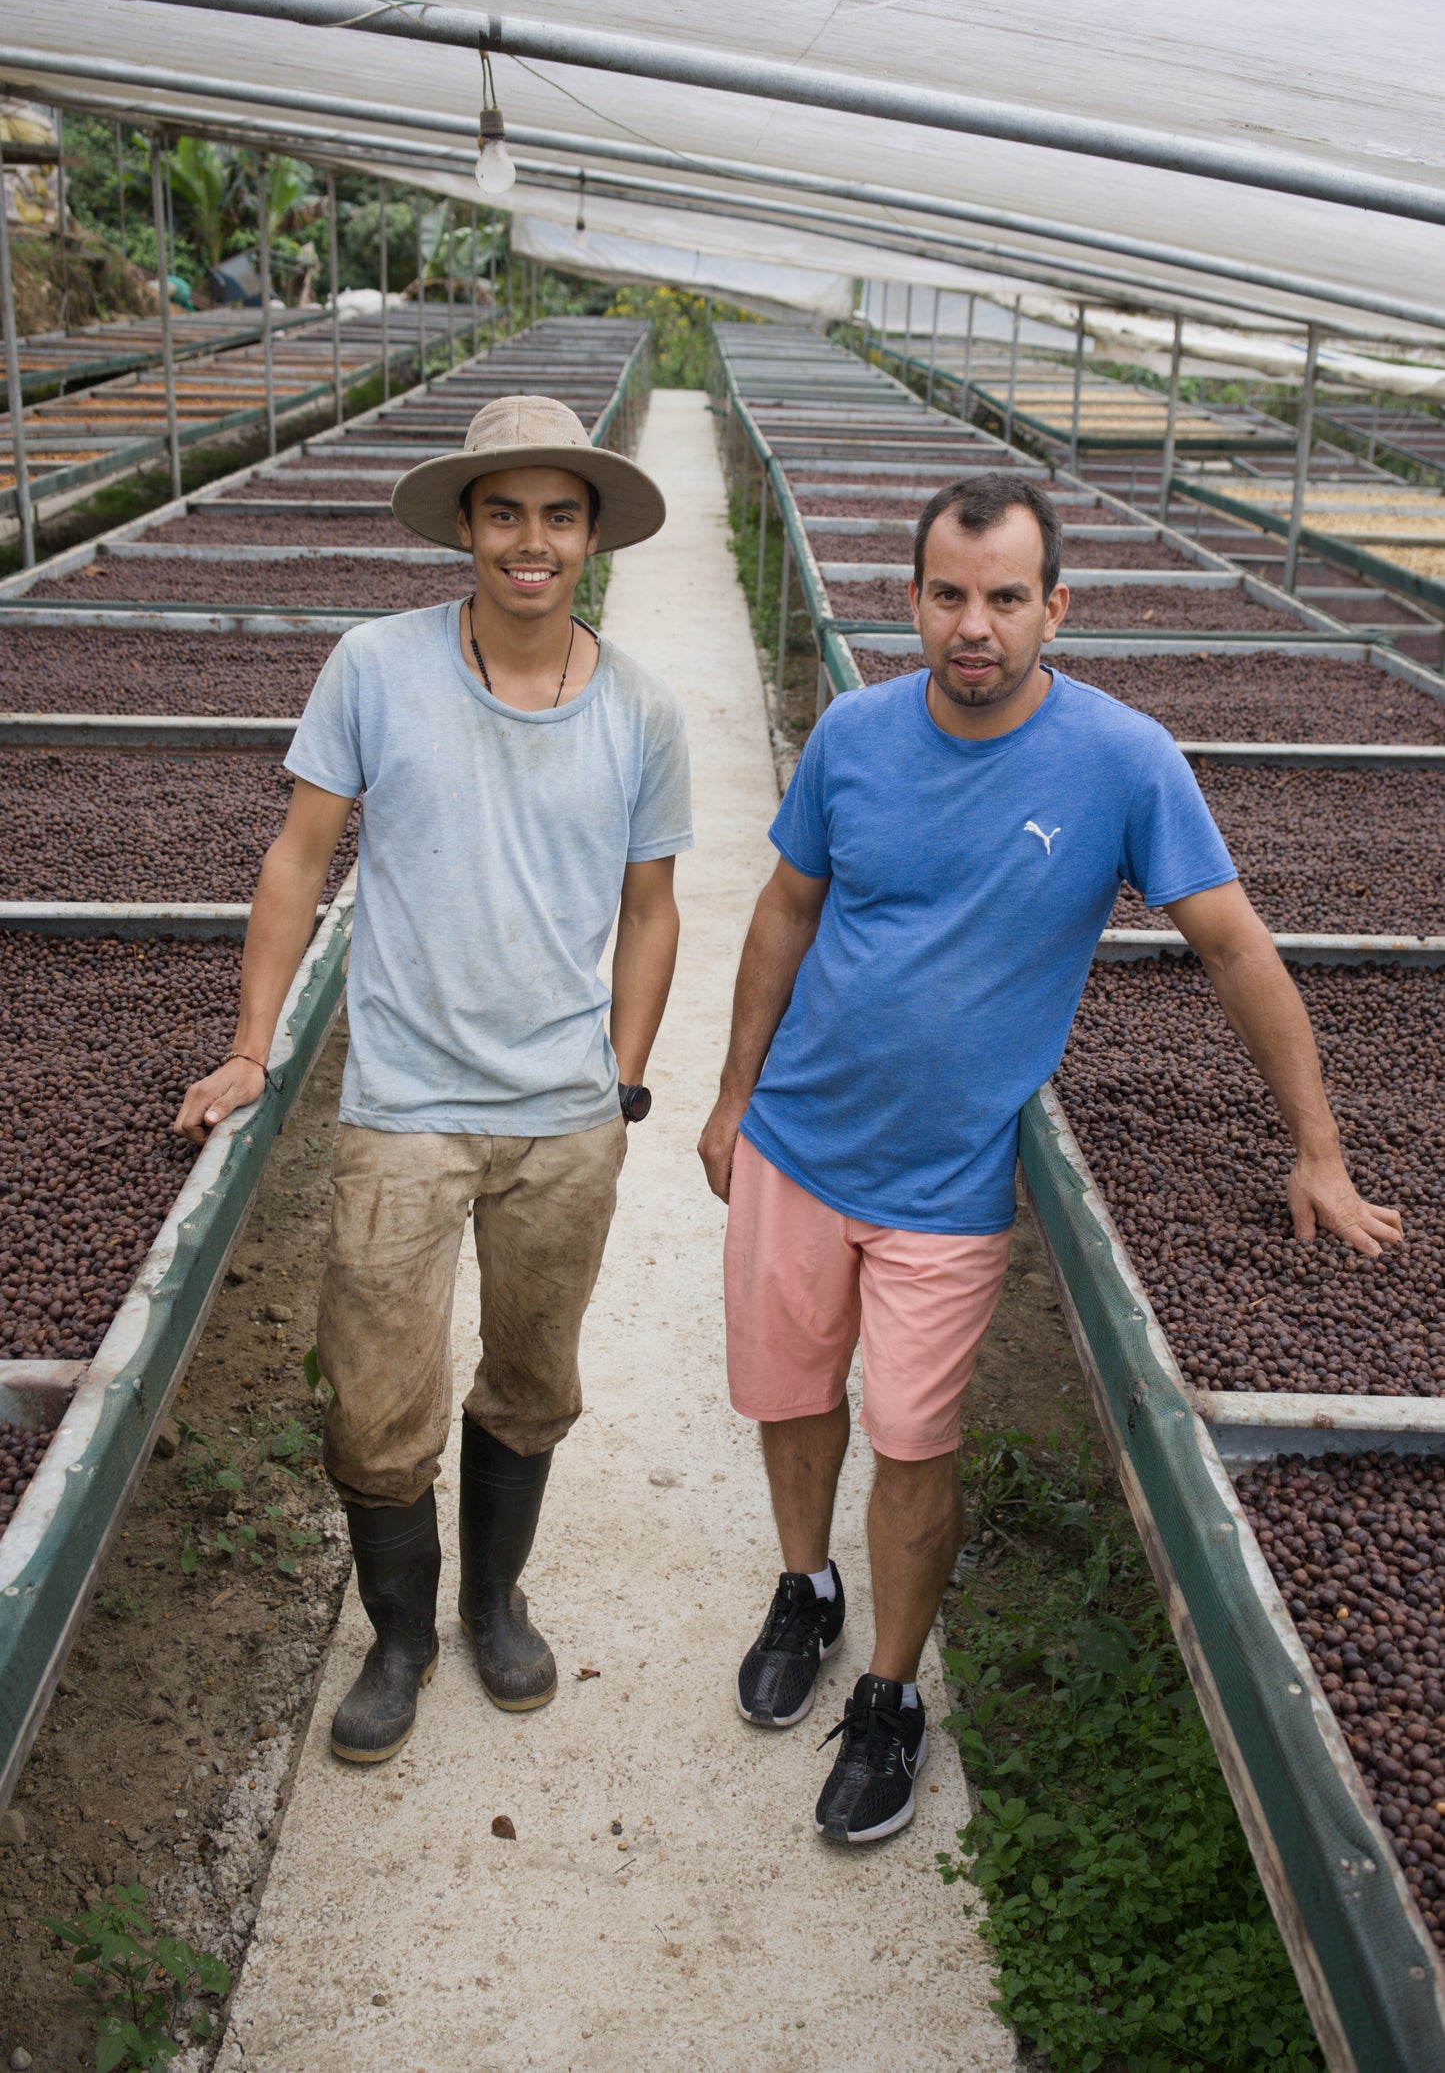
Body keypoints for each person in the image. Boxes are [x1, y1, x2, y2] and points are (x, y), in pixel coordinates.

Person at [699, 469, 1401, 1846]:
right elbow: (785, 911)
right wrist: (730, 1094)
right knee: (789, 1397)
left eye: (1005, 599)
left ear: (1051, 608)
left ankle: (890, 1693)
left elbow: (1233, 945)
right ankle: (803, 1587)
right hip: (794, 1137)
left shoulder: (1121, 760)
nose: (975, 625)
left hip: (946, 1184)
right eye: (949, 596)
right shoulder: (849, 734)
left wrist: (1315, 1151)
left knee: (911, 1440)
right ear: (911, 601)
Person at [177, 395, 691, 1765]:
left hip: (561, 1118)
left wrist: (622, 1082)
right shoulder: (375, 666)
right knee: (376, 1398)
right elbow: (300, 858)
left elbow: (653, 909)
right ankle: (398, 1637)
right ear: (465, 527)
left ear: (591, 538)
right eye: (506, 512)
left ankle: (493, 1603)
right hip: (402, 1105)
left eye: (559, 515)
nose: (533, 542)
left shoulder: (639, 709)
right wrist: (251, 1044)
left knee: (531, 1378)